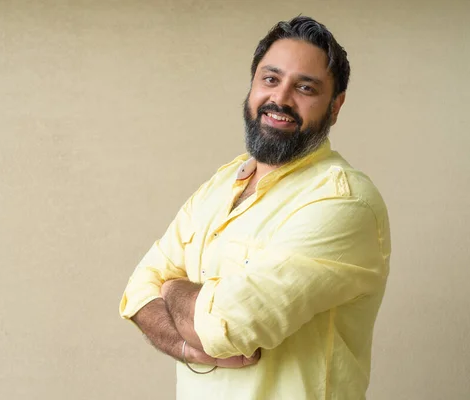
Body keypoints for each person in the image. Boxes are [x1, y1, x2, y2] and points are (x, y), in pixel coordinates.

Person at [119, 15, 390, 400]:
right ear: (252, 86)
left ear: (335, 106)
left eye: (305, 87)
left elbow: (225, 327)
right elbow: (136, 294)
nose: (280, 98)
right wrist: (184, 344)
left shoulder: (343, 202)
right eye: (270, 79)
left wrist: (173, 287)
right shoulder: (221, 184)